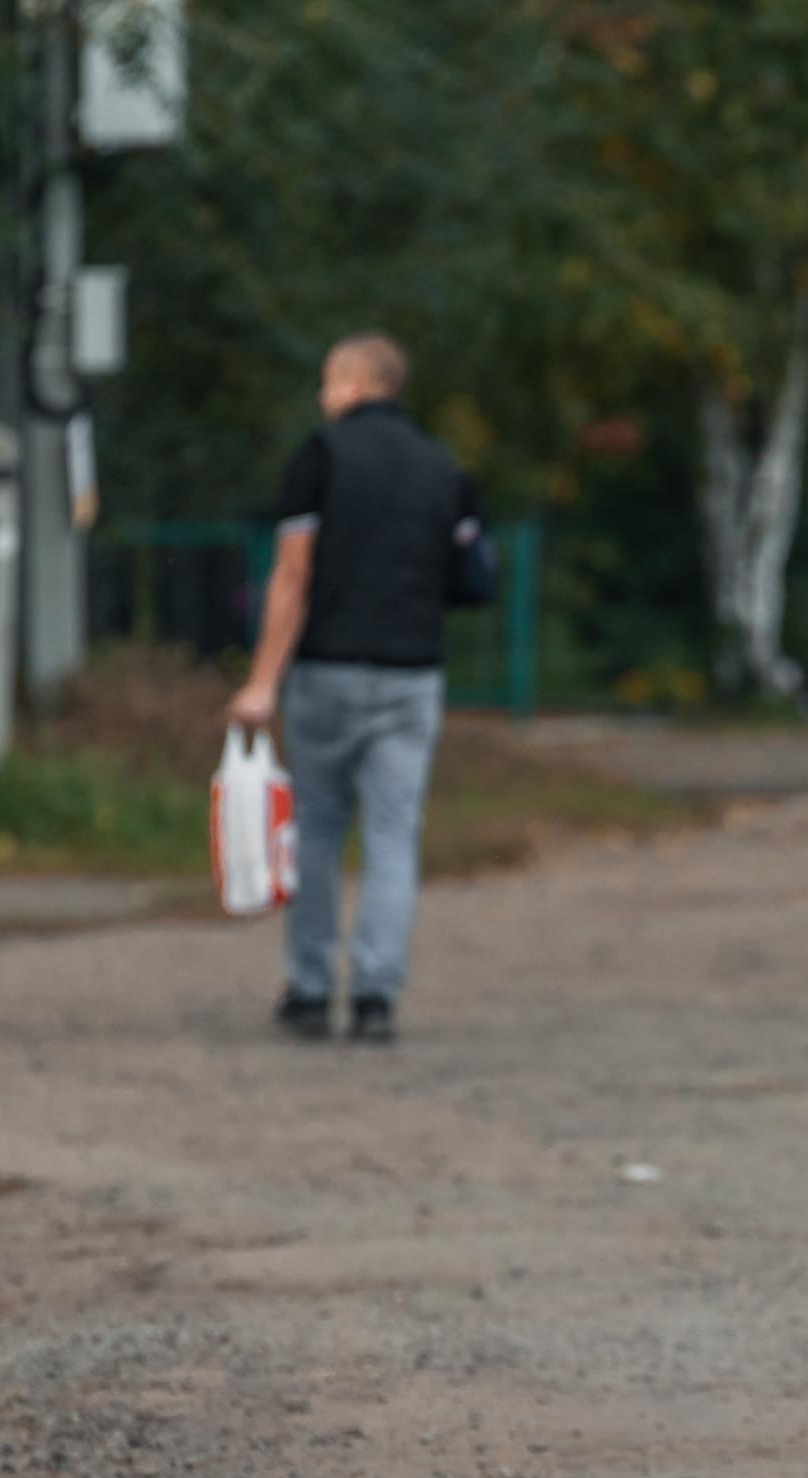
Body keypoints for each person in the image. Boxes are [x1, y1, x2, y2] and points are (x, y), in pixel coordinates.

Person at [228, 332, 483, 1046]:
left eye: (326, 381)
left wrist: (260, 683)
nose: (321, 395)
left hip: (329, 669)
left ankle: (310, 991)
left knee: (316, 829)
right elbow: (471, 578)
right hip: (413, 674)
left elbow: (293, 575)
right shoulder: (443, 468)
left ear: (349, 384)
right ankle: (376, 996)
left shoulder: (321, 458)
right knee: (394, 837)